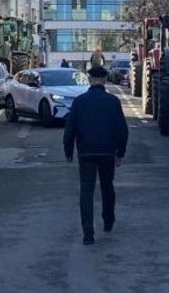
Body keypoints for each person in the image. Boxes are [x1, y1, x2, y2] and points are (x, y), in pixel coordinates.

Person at [63, 66, 128, 245]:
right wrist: (120, 152)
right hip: (107, 152)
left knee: (86, 191)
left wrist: (68, 151)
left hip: (86, 152)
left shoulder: (79, 101)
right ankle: (108, 221)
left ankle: (88, 234)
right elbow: (122, 129)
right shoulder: (113, 101)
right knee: (107, 187)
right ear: (105, 79)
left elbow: (70, 129)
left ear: (90, 79)